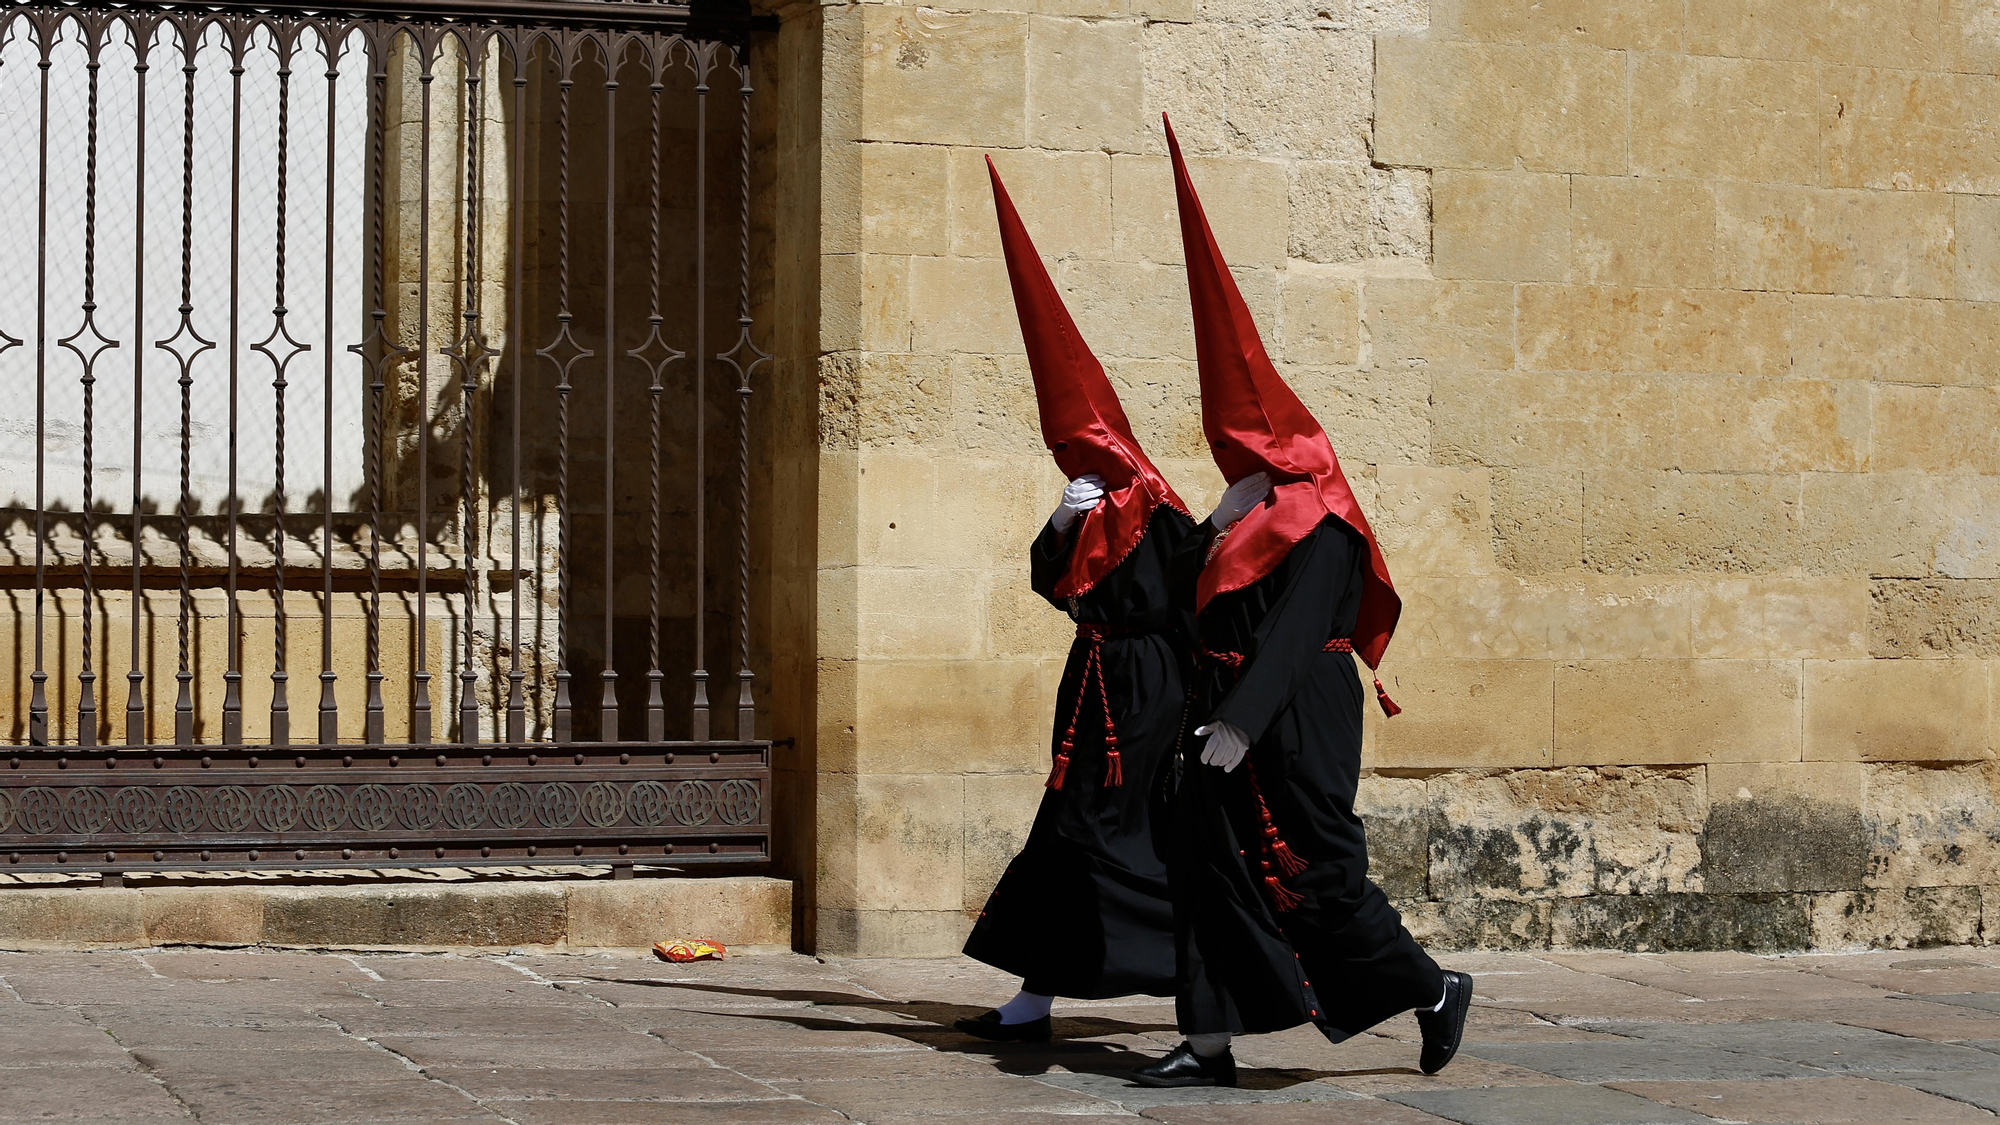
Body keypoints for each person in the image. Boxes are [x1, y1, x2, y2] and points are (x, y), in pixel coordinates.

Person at [1130, 119, 1472, 1088]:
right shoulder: (1241, 517)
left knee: (1315, 872)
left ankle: (1428, 988)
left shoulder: (1322, 527)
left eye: (1248, 449)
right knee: (1207, 870)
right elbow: (1183, 603)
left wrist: (1239, 724)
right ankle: (1207, 1043)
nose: (1235, 460)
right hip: (1227, 710)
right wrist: (1199, 523)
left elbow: (1289, 635)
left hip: (1296, 716)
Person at [957, 158, 1199, 1042]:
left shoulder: (1163, 513)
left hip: (1144, 686)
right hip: (1093, 675)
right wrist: (1061, 524)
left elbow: (1190, 603)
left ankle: (1194, 972)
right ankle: (1034, 998)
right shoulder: (1092, 507)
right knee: (1070, 821)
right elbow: (1050, 584)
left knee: (1103, 824)